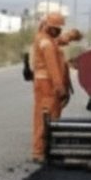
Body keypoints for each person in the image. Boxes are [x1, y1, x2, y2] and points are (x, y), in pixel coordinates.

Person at [30, 12, 71, 162]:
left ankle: (41, 149)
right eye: (56, 28)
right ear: (48, 27)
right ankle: (41, 151)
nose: (58, 31)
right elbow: (53, 66)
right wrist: (60, 87)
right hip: (49, 85)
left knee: (42, 116)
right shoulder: (47, 44)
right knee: (47, 117)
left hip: (42, 83)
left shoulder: (43, 38)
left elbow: (58, 41)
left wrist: (70, 36)